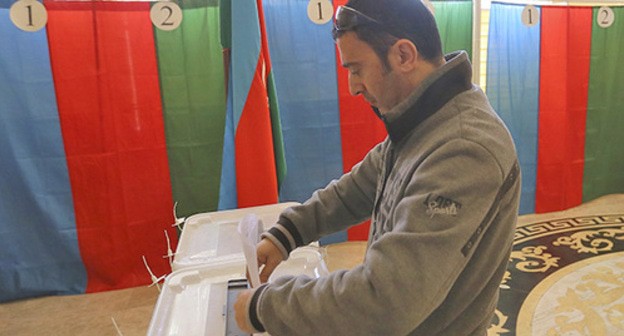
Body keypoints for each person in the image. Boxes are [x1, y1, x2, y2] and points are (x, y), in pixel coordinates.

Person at [234, 0, 521, 334]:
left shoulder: (465, 149)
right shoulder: (424, 121)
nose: (353, 87)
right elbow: (354, 190)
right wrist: (287, 234)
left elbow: (386, 301)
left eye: (356, 69)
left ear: (403, 55)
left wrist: (264, 307)